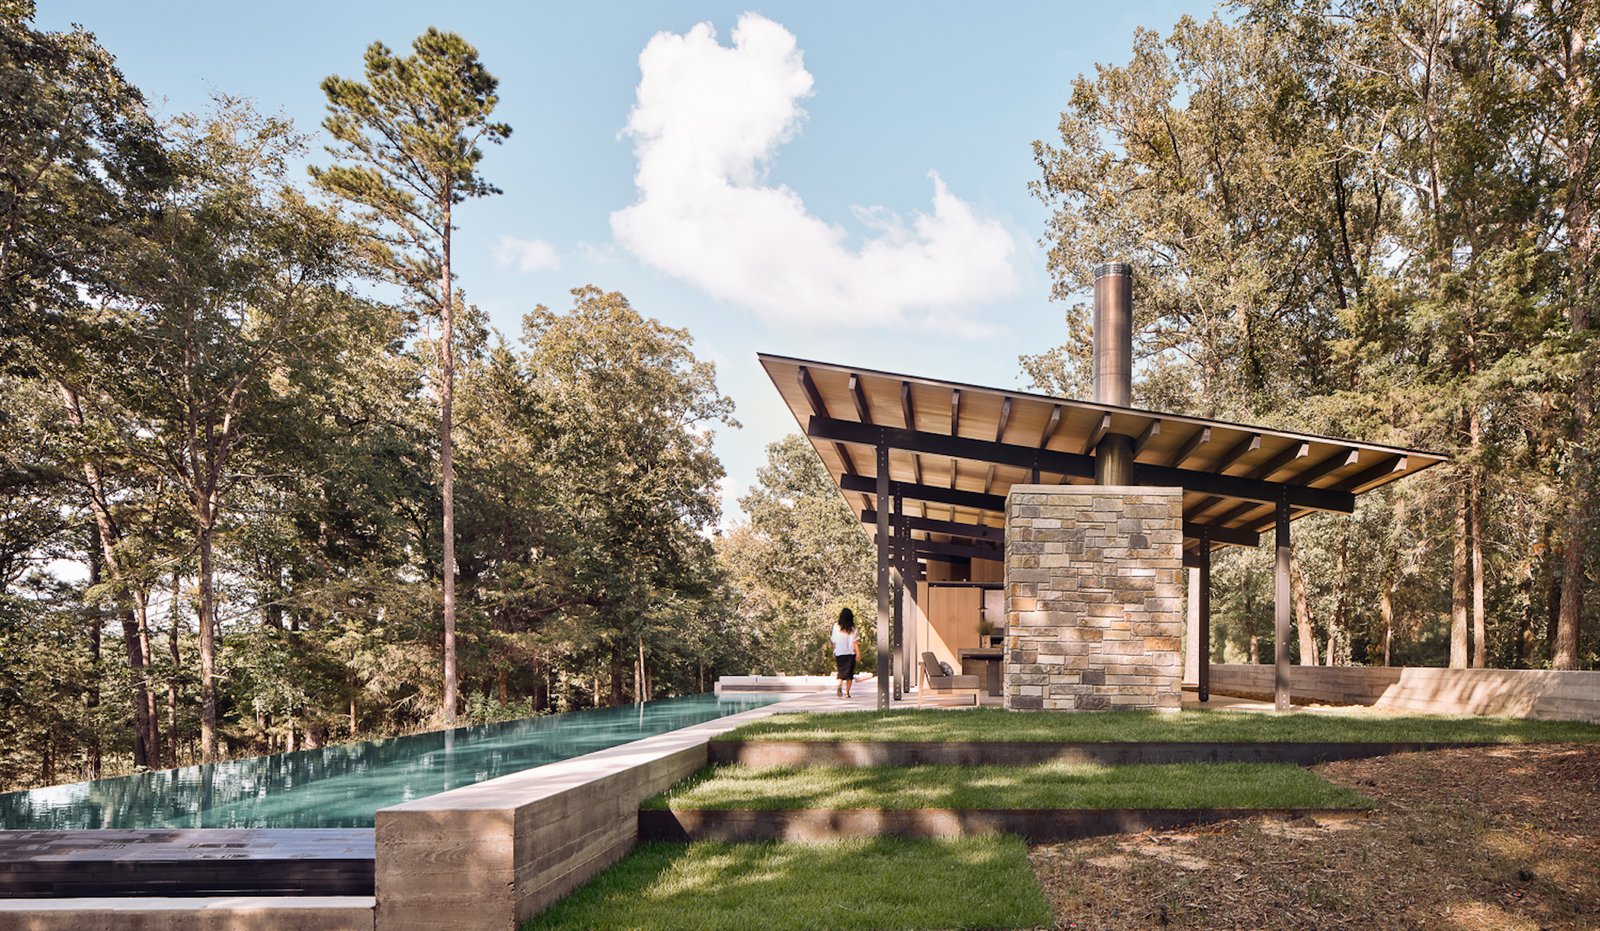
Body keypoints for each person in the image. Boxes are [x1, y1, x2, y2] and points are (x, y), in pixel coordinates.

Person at [829, 608, 860, 698]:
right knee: (849, 675)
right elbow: (855, 642)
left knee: (841, 672)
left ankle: (839, 686)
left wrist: (834, 650)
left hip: (839, 652)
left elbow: (833, 640)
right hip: (850, 653)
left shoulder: (836, 626)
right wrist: (858, 653)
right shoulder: (853, 628)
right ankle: (847, 693)